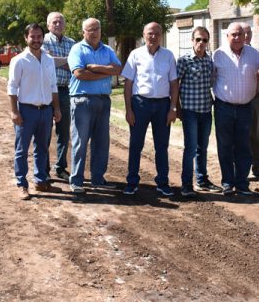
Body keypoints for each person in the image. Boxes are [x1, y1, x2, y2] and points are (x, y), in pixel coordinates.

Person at [122, 23, 179, 196]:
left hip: (162, 106)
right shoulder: (135, 55)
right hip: (140, 105)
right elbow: (128, 84)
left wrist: (173, 108)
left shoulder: (168, 56)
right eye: (149, 33)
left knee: (162, 146)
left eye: (156, 33)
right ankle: (132, 181)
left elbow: (174, 84)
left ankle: (162, 182)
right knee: (136, 144)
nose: (153, 36)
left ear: (161, 35)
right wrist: (128, 109)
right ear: (143, 34)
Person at [67, 18, 123, 194]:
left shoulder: (107, 49)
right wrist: (104, 72)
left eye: (97, 28)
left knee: (101, 142)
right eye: (90, 29)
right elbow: (79, 73)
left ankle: (98, 179)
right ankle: (76, 180)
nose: (95, 32)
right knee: (80, 142)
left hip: (103, 101)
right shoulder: (77, 49)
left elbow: (118, 69)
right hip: (82, 100)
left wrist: (95, 67)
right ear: (83, 32)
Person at [8, 23, 63, 200]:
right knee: (22, 149)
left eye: (39, 36)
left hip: (46, 111)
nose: (36, 40)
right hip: (26, 111)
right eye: (33, 37)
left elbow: (53, 85)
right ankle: (21, 184)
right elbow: (12, 87)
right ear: (26, 38)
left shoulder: (48, 60)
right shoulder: (19, 60)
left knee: (42, 148)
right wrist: (14, 112)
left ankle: (40, 181)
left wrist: (56, 108)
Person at [212, 22, 259, 196]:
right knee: (225, 146)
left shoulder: (255, 54)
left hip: (245, 109)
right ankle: (227, 183)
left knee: (244, 146)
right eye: (233, 34)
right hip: (223, 108)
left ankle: (242, 184)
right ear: (227, 36)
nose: (236, 37)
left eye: (239, 34)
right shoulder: (218, 55)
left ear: (245, 36)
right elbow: (211, 79)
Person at [176, 26, 222, 196]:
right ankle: (186, 184)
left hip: (205, 111)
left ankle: (202, 180)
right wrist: (177, 108)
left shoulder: (209, 61)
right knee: (190, 148)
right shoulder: (184, 60)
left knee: (203, 148)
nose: (201, 43)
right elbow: (175, 85)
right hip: (189, 112)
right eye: (198, 39)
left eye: (204, 40)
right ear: (192, 41)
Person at [42, 12, 76, 181]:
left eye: (60, 21)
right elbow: (45, 63)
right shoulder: (43, 41)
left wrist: (56, 61)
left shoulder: (72, 43)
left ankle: (60, 167)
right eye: (54, 22)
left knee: (64, 133)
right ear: (48, 25)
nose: (57, 24)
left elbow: (76, 66)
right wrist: (66, 61)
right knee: (45, 132)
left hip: (66, 91)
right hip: (47, 92)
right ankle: (44, 169)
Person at [241, 22, 259, 180]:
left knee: (255, 134)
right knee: (240, 136)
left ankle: (258, 167)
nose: (245, 36)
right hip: (240, 101)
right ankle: (240, 168)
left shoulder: (258, 53)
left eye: (248, 33)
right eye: (243, 33)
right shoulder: (231, 52)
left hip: (256, 99)